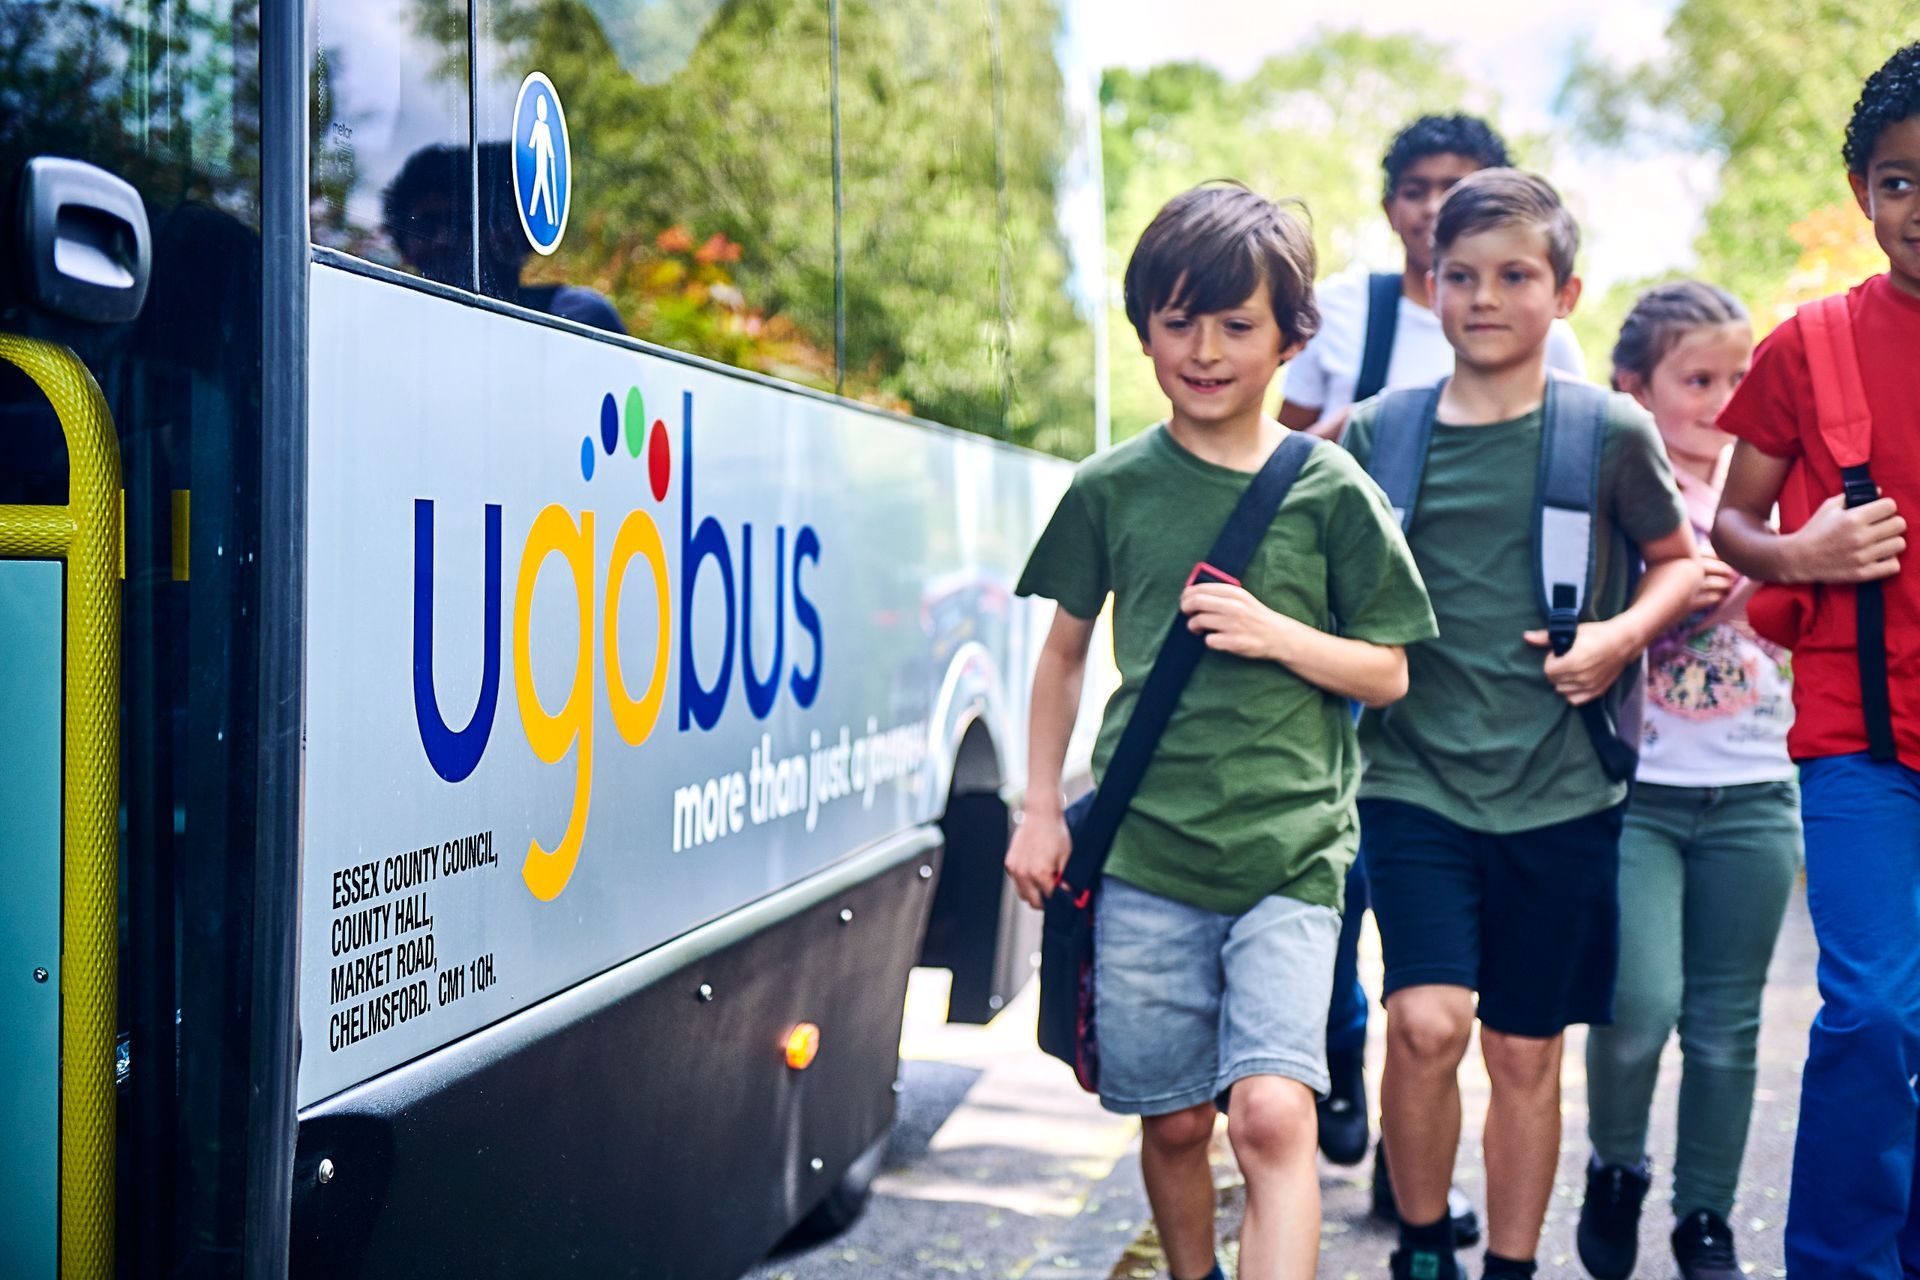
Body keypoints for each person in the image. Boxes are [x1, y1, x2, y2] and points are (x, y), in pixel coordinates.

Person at [1005, 182, 1436, 1280]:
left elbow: (1387, 669)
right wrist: (1041, 807)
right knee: (1177, 1122)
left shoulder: (1331, 488)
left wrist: (1273, 631)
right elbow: (1061, 654)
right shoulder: (1111, 486)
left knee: (1273, 1115)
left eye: (1236, 323)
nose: (1203, 349)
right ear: (1143, 325)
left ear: (1293, 337)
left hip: (1292, 855)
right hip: (1146, 858)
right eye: (1177, 320)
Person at [1339, 169, 1700, 1280]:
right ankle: (1422, 1249)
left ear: (1566, 292)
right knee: (1426, 1023)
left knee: (1524, 1047)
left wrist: (1615, 638)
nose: (1483, 297)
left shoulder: (1606, 430)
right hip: (1412, 783)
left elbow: (1676, 564)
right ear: (1429, 287)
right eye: (1459, 275)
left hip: (1562, 789)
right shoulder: (1376, 434)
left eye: (1513, 276)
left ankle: (1508, 1263)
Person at [1279, 115, 1583, 1241]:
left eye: (1457, 188)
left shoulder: (1579, 392)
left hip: (1524, 745)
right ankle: (1351, 1071)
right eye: (1417, 191)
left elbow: (1617, 524)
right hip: (1376, 714)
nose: (1430, 207)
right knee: (1399, 987)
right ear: (1399, 209)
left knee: (1498, 1027)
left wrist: (1597, 638)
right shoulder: (1358, 336)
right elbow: (1289, 452)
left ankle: (1433, 1197)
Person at [1712, 41, 1920, 1278]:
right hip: (1862, 743)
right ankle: (1844, 1263)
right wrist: (1804, 550)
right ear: (1861, 191)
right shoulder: (1815, 347)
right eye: (1898, 181)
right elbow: (1731, 524)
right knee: (1877, 1012)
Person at [1572, 283, 1800, 1280]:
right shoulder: (1621, 489)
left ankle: (1704, 1215)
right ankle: (1617, 1166)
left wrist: (1786, 558)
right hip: (1643, 792)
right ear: (1636, 387)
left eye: (1737, 376)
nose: (1721, 398)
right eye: (1696, 379)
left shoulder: (1781, 492)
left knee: (1725, 1024)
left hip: (1757, 788)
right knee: (1638, 1005)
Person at [382, 142, 626, 336]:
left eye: (462, 222)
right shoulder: (387, 324)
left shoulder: (575, 317)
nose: (443, 239)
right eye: (426, 225)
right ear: (402, 243)